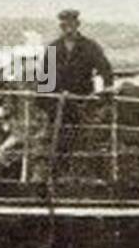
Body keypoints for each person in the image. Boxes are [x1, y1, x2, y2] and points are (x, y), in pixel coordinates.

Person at [46, 9, 113, 171]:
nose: (68, 29)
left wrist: (103, 97)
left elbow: (106, 72)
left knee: (85, 140)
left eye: (71, 25)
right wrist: (49, 104)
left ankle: (85, 170)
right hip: (59, 105)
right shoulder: (53, 48)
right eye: (64, 26)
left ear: (77, 25)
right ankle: (58, 172)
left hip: (84, 102)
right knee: (58, 143)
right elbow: (44, 81)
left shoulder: (90, 47)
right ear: (61, 27)